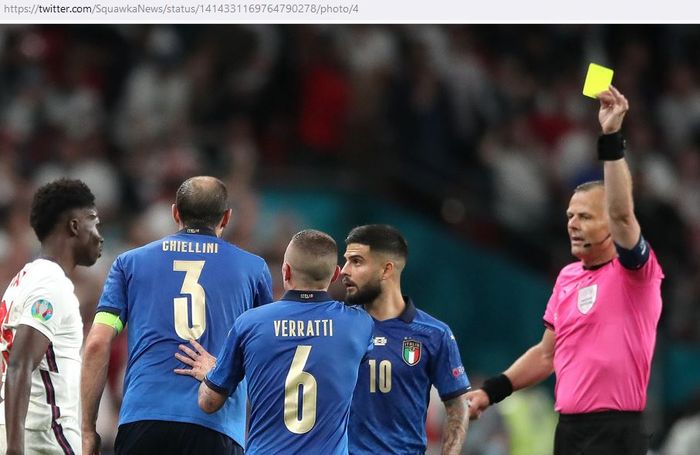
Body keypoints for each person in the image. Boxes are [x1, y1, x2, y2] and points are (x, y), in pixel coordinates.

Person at [466, 86, 664, 455]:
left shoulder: (637, 272)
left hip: (617, 432)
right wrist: (490, 391)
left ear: (609, 224)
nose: (572, 223)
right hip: (569, 432)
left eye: (585, 216)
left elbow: (622, 213)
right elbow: (546, 355)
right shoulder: (567, 277)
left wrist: (610, 138)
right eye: (570, 216)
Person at [80, 176, 273, 455]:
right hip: (216, 425)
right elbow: (266, 355)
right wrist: (221, 371)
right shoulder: (254, 270)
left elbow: (98, 342)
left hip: (142, 420)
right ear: (226, 218)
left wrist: (88, 430)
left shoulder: (129, 263)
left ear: (175, 213)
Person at [180, 229, 374, 455]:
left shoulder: (250, 323)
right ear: (335, 274)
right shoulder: (359, 325)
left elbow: (209, 403)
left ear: (286, 271)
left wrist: (212, 374)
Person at [341, 224, 471, 455]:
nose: (344, 271)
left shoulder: (434, 334)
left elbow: (457, 405)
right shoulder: (337, 325)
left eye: (357, 261)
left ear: (386, 270)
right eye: (347, 260)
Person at [0, 178, 104, 455]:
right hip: (44, 436)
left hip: (31, 432)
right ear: (74, 226)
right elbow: (20, 364)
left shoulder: (23, 279)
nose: (99, 234)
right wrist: (14, 449)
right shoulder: (50, 284)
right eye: (93, 221)